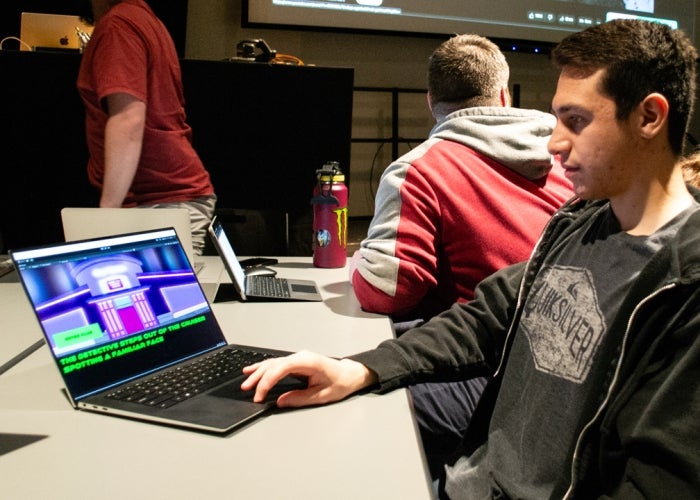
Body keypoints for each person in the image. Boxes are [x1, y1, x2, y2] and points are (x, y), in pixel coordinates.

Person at [242, 19, 700, 498]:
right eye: (557, 119)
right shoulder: (578, 223)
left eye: (577, 121)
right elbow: (483, 319)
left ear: (649, 117)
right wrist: (362, 368)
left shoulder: (685, 282)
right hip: (474, 481)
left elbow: (658, 481)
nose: (555, 142)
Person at [350, 34, 572, 325]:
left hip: (480, 355)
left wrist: (357, 265)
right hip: (568, 338)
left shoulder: (417, 172)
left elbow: (388, 291)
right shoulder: (569, 159)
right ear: (504, 96)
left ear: (431, 102)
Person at [76, 0, 216, 255]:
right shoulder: (143, 18)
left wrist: (106, 216)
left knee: (160, 294)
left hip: (158, 202)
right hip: (164, 199)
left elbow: (128, 119)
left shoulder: (118, 26)